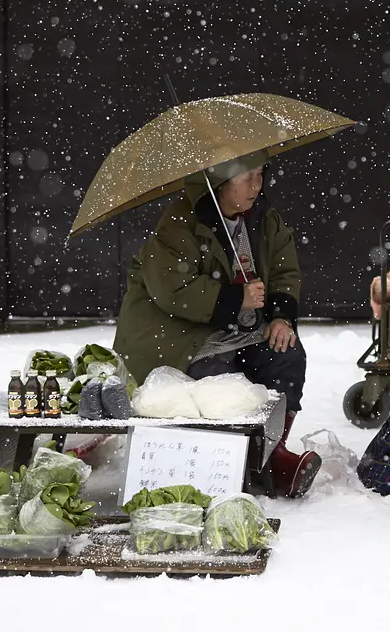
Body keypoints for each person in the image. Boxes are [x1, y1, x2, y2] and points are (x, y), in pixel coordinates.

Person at [113, 150, 321, 498]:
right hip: (181, 335)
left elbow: (285, 269)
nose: (257, 185)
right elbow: (171, 288)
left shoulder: (263, 217)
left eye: (260, 174)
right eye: (246, 177)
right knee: (219, 377)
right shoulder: (179, 224)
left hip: (242, 329)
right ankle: (229, 465)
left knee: (285, 356)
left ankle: (270, 456)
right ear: (219, 183)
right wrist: (234, 298)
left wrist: (282, 316)